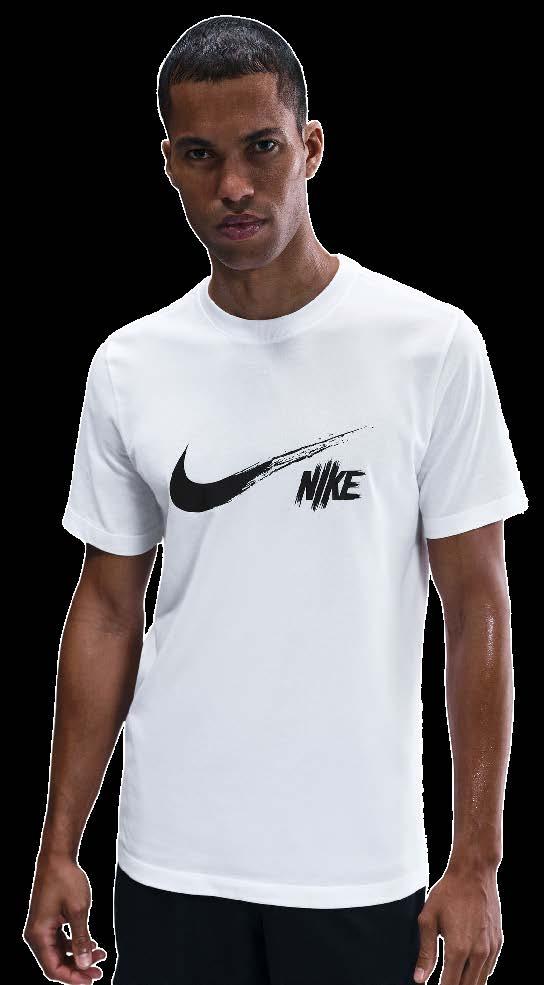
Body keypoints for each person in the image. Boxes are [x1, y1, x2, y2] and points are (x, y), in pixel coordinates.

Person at [22, 14, 528, 985]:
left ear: (311, 147)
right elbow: (108, 608)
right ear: (169, 163)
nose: (234, 186)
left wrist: (476, 861)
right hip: (170, 862)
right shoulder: (132, 365)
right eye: (201, 155)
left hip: (357, 868)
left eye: (261, 148)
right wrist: (58, 844)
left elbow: (479, 609)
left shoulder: (430, 346)